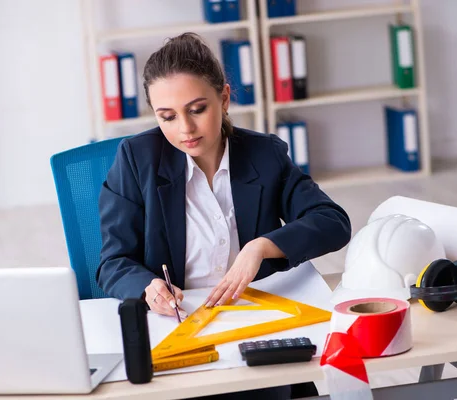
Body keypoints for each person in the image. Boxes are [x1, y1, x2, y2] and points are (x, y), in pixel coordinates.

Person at [97, 32, 352, 399]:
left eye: (197, 109)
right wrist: (147, 287)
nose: (184, 129)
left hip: (255, 325)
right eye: (167, 117)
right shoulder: (136, 160)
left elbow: (332, 221)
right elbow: (113, 261)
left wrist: (261, 247)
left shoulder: (265, 155)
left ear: (225, 98)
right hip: (178, 331)